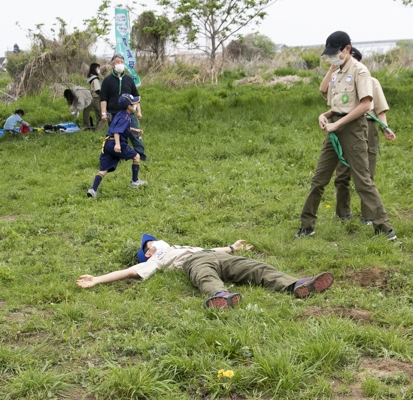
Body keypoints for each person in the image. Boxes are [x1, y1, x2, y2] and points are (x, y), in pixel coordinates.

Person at [296, 31, 396, 241]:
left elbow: (366, 105)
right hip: (336, 127)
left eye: (336, 52)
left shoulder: (360, 71)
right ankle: (307, 226)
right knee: (318, 180)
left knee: (363, 181)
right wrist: (325, 115)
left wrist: (338, 124)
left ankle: (384, 229)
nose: (332, 57)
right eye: (330, 53)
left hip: (353, 129)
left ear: (347, 49)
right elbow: (337, 106)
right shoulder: (337, 73)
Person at [76, 233, 335, 309]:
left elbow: (212, 249)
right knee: (205, 276)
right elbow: (129, 272)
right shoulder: (154, 260)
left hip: (208, 254)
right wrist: (97, 279)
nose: (152, 243)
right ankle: (220, 296)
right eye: (148, 245)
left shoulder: (179, 245)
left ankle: (296, 285)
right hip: (195, 263)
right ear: (147, 253)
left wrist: (232, 248)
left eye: (152, 240)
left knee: (256, 267)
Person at [319, 47, 396, 226]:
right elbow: (323, 90)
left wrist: (385, 127)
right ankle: (343, 212)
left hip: (366, 125)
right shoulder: (339, 77)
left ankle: (369, 216)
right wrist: (332, 67)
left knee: (365, 173)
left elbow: (380, 109)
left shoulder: (370, 80)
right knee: (342, 172)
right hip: (345, 125)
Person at [86, 94, 146, 199]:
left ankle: (93, 190)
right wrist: (118, 145)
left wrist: (135, 130)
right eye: (134, 104)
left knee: (103, 170)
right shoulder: (126, 118)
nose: (136, 105)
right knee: (136, 156)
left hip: (107, 144)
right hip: (116, 143)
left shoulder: (120, 114)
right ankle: (135, 181)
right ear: (129, 106)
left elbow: (120, 127)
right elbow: (117, 131)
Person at [100, 54, 147, 161]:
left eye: (122, 62)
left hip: (129, 114)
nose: (120, 64)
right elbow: (103, 98)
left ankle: (141, 156)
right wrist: (103, 113)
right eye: (117, 62)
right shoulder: (107, 80)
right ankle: (118, 157)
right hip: (113, 113)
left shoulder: (129, 79)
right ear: (112, 65)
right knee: (115, 137)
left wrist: (139, 111)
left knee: (134, 135)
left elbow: (136, 96)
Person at [87, 63, 104, 131]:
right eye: (98, 68)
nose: (99, 70)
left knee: (98, 116)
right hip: (96, 98)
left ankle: (96, 129)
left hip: (92, 98)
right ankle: (98, 131)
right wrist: (104, 96)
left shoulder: (91, 78)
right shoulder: (95, 79)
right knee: (103, 117)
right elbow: (97, 90)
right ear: (95, 69)